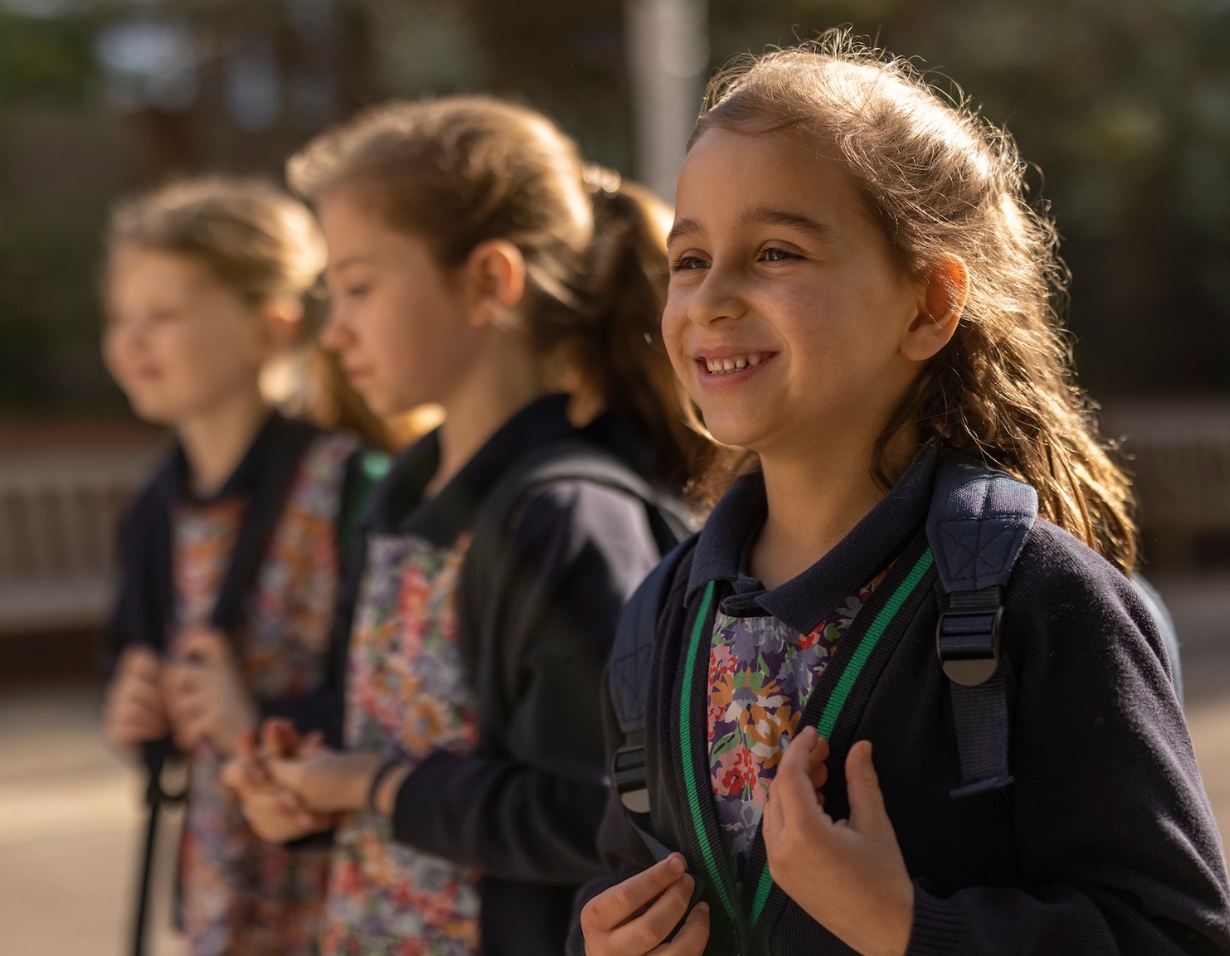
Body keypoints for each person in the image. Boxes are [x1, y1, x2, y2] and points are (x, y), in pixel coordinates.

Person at [573, 35, 1230, 956]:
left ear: (927, 306)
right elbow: (617, 872)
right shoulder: (660, 617)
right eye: (688, 260)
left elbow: (1176, 935)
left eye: (774, 252)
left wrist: (909, 927)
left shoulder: (1041, 601)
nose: (711, 298)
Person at [221, 97, 706, 956]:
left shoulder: (569, 519)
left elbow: (601, 811)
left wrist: (371, 786)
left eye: (359, 286)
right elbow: (401, 722)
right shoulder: (398, 500)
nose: (333, 331)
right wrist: (305, 771)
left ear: (489, 280)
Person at [101, 177, 385, 956]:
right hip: (223, 884)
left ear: (271, 329)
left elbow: (393, 704)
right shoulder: (154, 505)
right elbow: (131, 654)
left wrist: (253, 726)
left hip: (338, 890)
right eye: (121, 318)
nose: (132, 341)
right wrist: (132, 707)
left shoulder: (350, 485)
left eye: (163, 316)